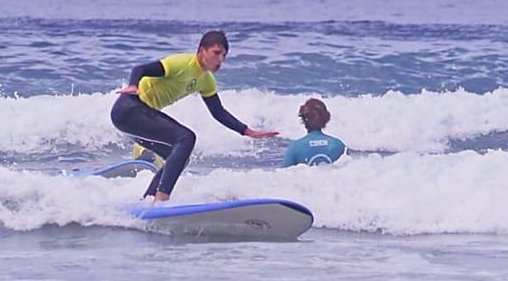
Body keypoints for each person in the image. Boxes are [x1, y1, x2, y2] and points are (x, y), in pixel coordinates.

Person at [110, 30, 277, 201]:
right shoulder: (181, 63)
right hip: (129, 109)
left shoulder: (207, 80)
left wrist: (247, 131)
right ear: (201, 51)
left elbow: (218, 112)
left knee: (179, 157)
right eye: (216, 53)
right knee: (186, 138)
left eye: (224, 55)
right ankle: (162, 198)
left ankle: (148, 202)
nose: (220, 60)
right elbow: (140, 68)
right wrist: (132, 86)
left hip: (138, 117)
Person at [283, 98, 346, 167]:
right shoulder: (338, 145)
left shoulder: (295, 148)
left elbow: (283, 175)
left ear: (304, 119)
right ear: (326, 118)